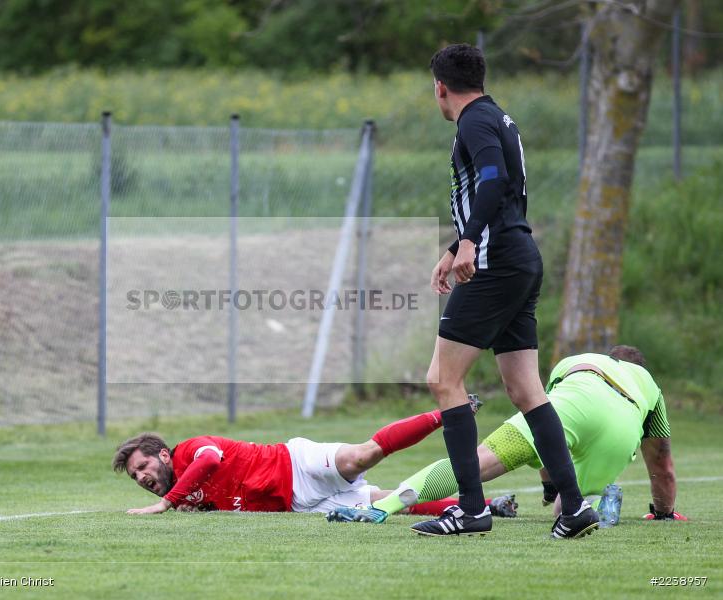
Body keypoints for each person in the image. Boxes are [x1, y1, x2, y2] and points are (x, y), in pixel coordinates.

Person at [419, 42, 597, 538]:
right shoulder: (498, 117)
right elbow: (502, 193)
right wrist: (457, 243)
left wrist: (470, 242)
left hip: (497, 264)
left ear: (440, 88)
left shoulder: (472, 121)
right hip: (520, 257)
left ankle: (471, 510)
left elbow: (493, 180)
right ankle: (575, 507)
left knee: (443, 379)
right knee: (525, 388)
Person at [327, 346, 686, 535]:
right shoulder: (650, 387)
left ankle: (382, 507)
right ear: (641, 368)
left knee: (473, 463)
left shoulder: (577, 361)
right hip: (621, 426)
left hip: (570, 401)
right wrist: (663, 513)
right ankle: (589, 501)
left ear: (610, 357)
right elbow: (662, 466)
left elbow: (547, 426)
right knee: (568, 510)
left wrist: (547, 477)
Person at [115, 397, 517, 517]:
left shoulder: (190, 450)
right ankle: (486, 505)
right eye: (136, 477)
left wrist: (164, 504)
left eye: (143, 467)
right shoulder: (185, 495)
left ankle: (447, 413)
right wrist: (181, 503)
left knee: (363, 456)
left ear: (164, 454)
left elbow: (210, 462)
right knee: (392, 502)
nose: (142, 478)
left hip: (295, 464)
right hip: (297, 503)